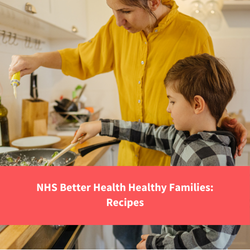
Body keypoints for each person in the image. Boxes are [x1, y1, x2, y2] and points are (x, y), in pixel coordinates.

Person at [9, 0, 247, 248]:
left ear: (153, 3)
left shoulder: (193, 33)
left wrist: (223, 122)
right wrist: (37, 59)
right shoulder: (116, 30)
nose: (118, 20)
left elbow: (207, 91)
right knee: (125, 235)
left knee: (167, 233)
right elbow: (82, 57)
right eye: (112, 11)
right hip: (131, 160)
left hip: (169, 169)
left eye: (126, 11)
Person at [72, 53, 240, 249]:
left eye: (172, 101)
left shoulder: (214, 160)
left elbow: (215, 239)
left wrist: (156, 244)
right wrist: (102, 126)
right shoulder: (182, 136)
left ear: (197, 104)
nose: (168, 109)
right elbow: (147, 133)